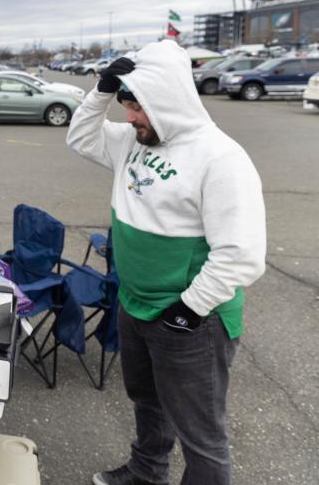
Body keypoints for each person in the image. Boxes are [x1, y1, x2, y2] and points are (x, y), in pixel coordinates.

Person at [66, 40, 266, 485]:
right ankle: (146, 474)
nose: (130, 117)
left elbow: (242, 255)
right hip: (136, 305)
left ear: (168, 101)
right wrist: (101, 90)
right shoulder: (132, 142)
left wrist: (189, 309)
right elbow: (80, 137)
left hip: (192, 319)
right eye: (126, 106)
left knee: (202, 434)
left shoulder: (220, 159)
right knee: (148, 402)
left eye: (138, 107)